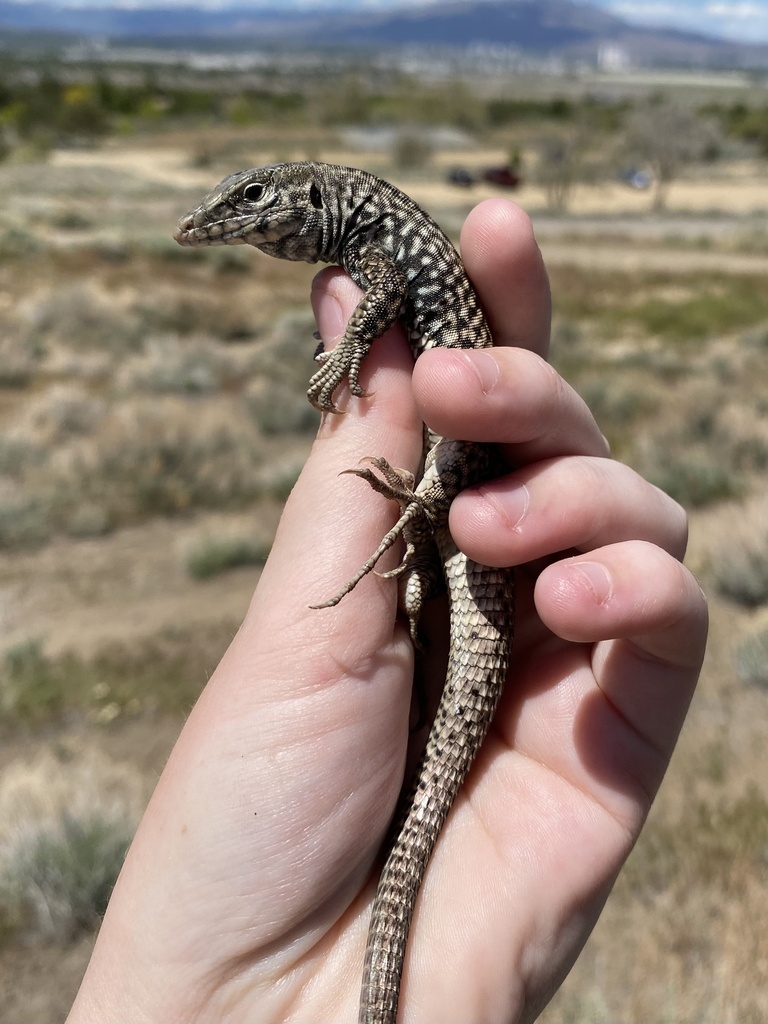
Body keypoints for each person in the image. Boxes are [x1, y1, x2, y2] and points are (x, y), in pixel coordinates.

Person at [66, 199, 707, 1024]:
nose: (234, 219)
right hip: (459, 512)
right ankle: (426, 550)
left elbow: (375, 303)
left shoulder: (372, 243)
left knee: (463, 479)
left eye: (252, 202)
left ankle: (429, 529)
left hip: (462, 486)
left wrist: (351, 362)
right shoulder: (367, 237)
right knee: (457, 500)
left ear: (308, 202)